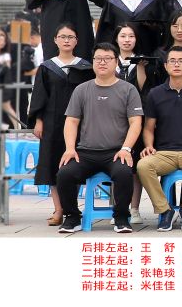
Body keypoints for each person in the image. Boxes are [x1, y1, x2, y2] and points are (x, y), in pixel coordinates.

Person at [55, 43, 143, 233]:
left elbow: (136, 122)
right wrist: (70, 148)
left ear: (116, 62)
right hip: (86, 152)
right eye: (98, 59)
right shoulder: (81, 90)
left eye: (107, 58)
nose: (102, 62)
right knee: (64, 173)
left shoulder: (128, 89)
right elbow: (71, 121)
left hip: (116, 152)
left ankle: (121, 217)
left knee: (124, 173)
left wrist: (126, 149)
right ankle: (72, 217)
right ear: (93, 62)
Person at [136, 46, 182, 231]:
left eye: (181, 61)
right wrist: (149, 145)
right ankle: (165, 210)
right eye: (172, 61)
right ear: (165, 66)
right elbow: (148, 128)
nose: (176, 64)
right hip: (164, 153)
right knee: (143, 165)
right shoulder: (155, 94)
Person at [28, 23, 93, 226]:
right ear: (55, 40)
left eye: (70, 37)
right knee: (52, 165)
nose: (66, 40)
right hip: (52, 124)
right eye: (62, 37)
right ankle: (59, 209)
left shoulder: (85, 67)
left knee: (74, 165)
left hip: (80, 124)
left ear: (76, 41)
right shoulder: (47, 67)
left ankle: (71, 207)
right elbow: (39, 96)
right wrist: (38, 121)